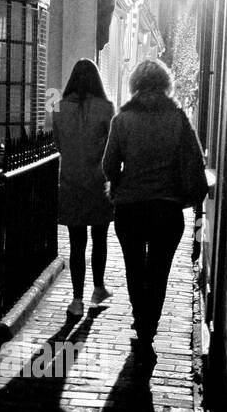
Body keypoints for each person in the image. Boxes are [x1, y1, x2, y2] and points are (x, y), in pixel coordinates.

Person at [102, 58, 207, 367]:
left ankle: (140, 320)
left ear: (135, 84)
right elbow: (195, 162)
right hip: (167, 209)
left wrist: (123, 182)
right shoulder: (178, 119)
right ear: (166, 84)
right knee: (159, 271)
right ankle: (150, 328)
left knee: (135, 268)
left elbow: (108, 166)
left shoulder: (121, 121)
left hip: (131, 209)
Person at [52, 58, 115, 317]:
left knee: (76, 244)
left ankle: (76, 301)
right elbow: (112, 146)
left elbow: (57, 143)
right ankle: (98, 288)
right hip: (98, 182)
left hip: (70, 181)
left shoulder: (58, 107)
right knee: (99, 240)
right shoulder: (107, 107)